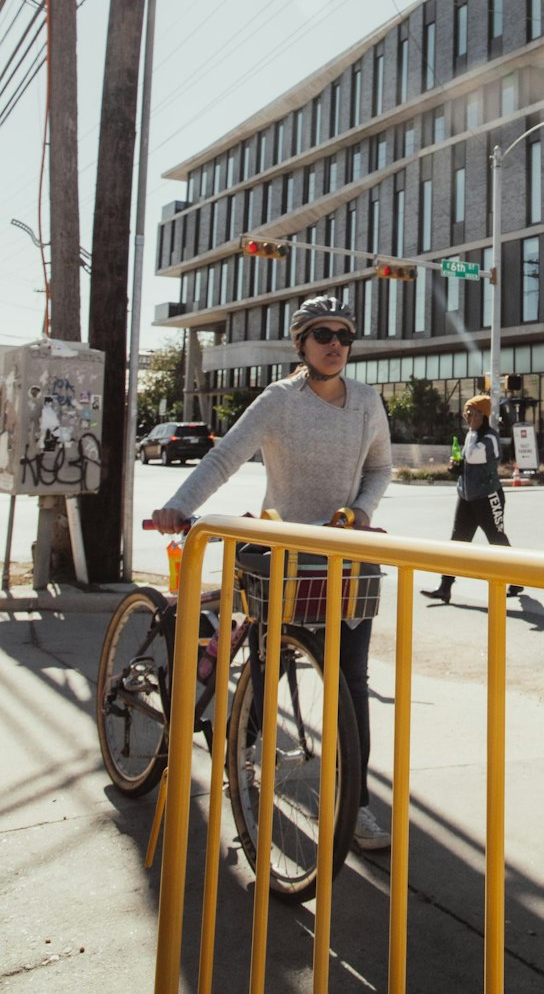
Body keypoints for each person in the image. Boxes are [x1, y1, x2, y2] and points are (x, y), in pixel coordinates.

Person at [150, 293, 393, 851]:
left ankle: (354, 805)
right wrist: (179, 507)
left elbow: (380, 467)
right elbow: (224, 456)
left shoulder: (366, 401)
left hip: (345, 558)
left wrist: (361, 511)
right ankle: (244, 755)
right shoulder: (279, 400)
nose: (336, 345)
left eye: (344, 336)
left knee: (350, 683)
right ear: (301, 344)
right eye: (323, 335)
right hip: (283, 557)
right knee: (268, 666)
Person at [421, 394, 523, 605]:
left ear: (482, 415)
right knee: (457, 542)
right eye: (466, 413)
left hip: (487, 497)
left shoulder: (490, 438)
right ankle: (445, 588)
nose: (467, 417)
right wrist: (456, 467)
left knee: (497, 539)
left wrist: (464, 453)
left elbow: (475, 456)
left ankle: (517, 579)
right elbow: (467, 462)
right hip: (466, 497)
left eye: (471, 413)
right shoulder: (471, 435)